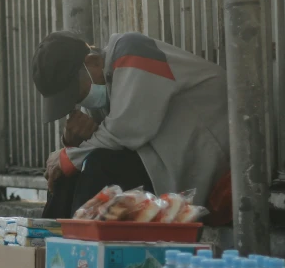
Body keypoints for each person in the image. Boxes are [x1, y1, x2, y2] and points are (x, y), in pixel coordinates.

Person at [31, 31, 232, 223]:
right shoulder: (105, 82)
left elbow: (125, 131)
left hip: (204, 161)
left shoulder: (131, 51)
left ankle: (78, 247)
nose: (79, 102)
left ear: (92, 62)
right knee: (67, 174)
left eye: (76, 94)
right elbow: (107, 139)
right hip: (164, 163)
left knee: (98, 165)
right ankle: (48, 244)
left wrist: (68, 157)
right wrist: (73, 144)